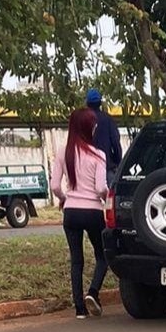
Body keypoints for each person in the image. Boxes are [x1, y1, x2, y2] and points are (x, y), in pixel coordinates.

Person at [52, 108, 110, 319]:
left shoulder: (62, 152)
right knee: (102, 256)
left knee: (77, 260)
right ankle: (93, 292)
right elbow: (100, 188)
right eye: (93, 125)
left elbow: (55, 186)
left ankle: (79, 309)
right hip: (93, 211)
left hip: (71, 212)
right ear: (88, 127)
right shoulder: (98, 155)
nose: (95, 128)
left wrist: (65, 199)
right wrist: (106, 197)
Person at [86, 88, 123, 188]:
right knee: (110, 200)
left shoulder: (83, 121)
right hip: (107, 167)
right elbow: (116, 143)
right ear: (100, 103)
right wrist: (117, 162)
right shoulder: (108, 119)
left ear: (87, 103)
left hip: (87, 171)